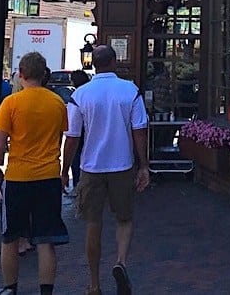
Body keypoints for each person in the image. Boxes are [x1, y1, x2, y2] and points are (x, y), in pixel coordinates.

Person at [63, 45, 149, 295]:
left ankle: (94, 283)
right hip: (122, 163)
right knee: (124, 218)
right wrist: (143, 164)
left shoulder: (81, 95)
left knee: (93, 222)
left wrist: (64, 169)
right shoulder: (129, 91)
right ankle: (120, 261)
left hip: (91, 166)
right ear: (114, 62)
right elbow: (139, 130)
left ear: (93, 64)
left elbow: (72, 136)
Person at [0, 52, 69, 294]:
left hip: (18, 176)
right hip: (48, 176)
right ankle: (46, 291)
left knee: (10, 238)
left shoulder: (11, 103)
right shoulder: (57, 102)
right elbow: (60, 136)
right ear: (45, 74)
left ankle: (10, 288)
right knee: (46, 240)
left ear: (21, 74)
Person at [65, 70, 92, 197]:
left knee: (76, 157)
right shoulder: (89, 93)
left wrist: (64, 171)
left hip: (79, 131)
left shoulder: (77, 96)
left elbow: (71, 132)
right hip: (89, 131)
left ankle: (77, 184)